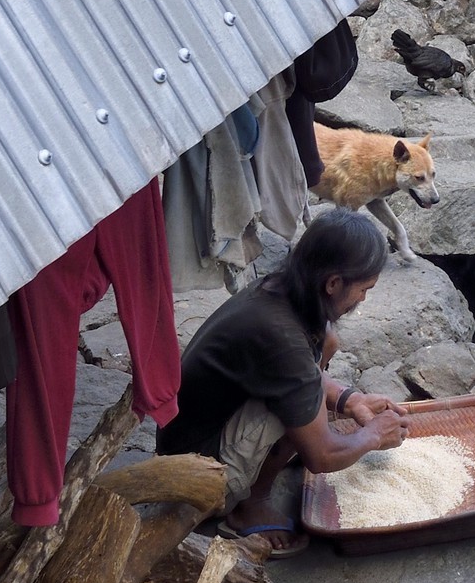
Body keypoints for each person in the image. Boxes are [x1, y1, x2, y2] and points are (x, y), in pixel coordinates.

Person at [157, 207, 406, 555]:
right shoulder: (280, 337)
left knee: (325, 344)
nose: (363, 298)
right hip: (196, 473)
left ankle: (260, 469)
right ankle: (249, 505)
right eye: (364, 289)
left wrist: (349, 399)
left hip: (191, 432)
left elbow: (303, 369)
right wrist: (374, 435)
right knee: (304, 402)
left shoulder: (281, 288)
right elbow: (323, 456)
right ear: (333, 283)